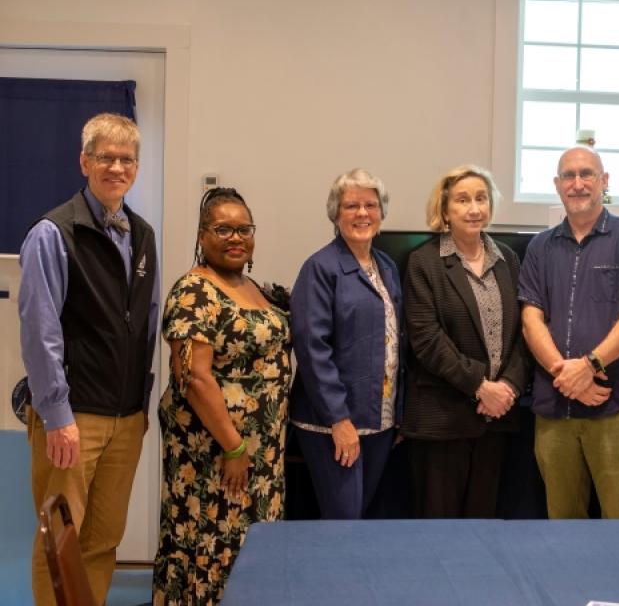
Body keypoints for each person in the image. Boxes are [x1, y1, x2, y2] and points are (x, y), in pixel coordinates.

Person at [18, 113, 159, 606]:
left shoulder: (143, 235)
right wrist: (56, 415)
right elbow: (41, 332)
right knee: (63, 543)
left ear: (137, 168)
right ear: (84, 162)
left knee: (103, 541)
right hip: (73, 418)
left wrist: (140, 405)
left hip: (126, 418)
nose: (116, 167)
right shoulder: (53, 233)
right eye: (106, 157)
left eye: (126, 159)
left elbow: (145, 323)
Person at [152, 187, 292, 604]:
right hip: (216, 455)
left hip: (262, 456)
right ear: (201, 235)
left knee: (252, 550)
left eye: (244, 229)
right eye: (223, 228)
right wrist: (234, 446)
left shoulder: (251, 287)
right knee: (213, 546)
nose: (236, 237)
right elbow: (193, 378)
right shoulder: (193, 292)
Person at [518, 146, 619, 519]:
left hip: (617, 409)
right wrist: (565, 375)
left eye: (587, 174)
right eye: (569, 175)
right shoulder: (539, 247)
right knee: (562, 527)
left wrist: (590, 363)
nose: (577, 183)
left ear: (604, 181)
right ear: (557, 184)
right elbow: (531, 320)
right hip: (555, 411)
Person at [402, 165, 530, 517]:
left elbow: (525, 332)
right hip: (443, 420)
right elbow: (427, 340)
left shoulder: (508, 259)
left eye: (481, 198)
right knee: (439, 532)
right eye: (462, 200)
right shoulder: (424, 262)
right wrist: (480, 386)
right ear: (444, 210)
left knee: (483, 526)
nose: (474, 208)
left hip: (497, 417)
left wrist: (507, 386)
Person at [289, 169, 402, 519]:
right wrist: (339, 420)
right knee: (343, 521)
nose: (362, 213)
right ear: (335, 214)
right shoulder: (320, 268)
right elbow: (312, 350)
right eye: (351, 205)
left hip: (379, 421)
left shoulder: (386, 266)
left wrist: (396, 415)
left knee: (358, 519)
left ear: (382, 213)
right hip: (333, 424)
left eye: (371, 205)